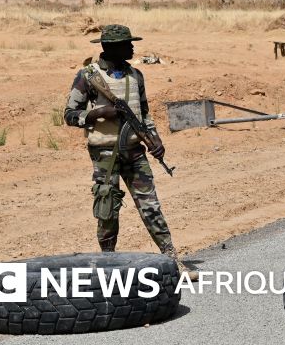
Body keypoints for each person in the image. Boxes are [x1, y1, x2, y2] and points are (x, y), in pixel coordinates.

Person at [64, 24, 191, 274]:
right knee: (108, 210)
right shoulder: (87, 76)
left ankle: (172, 260)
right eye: (127, 44)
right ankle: (107, 264)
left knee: (150, 206)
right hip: (104, 154)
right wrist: (98, 113)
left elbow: (144, 114)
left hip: (134, 151)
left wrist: (155, 140)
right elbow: (69, 115)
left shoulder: (136, 76)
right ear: (111, 47)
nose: (132, 48)